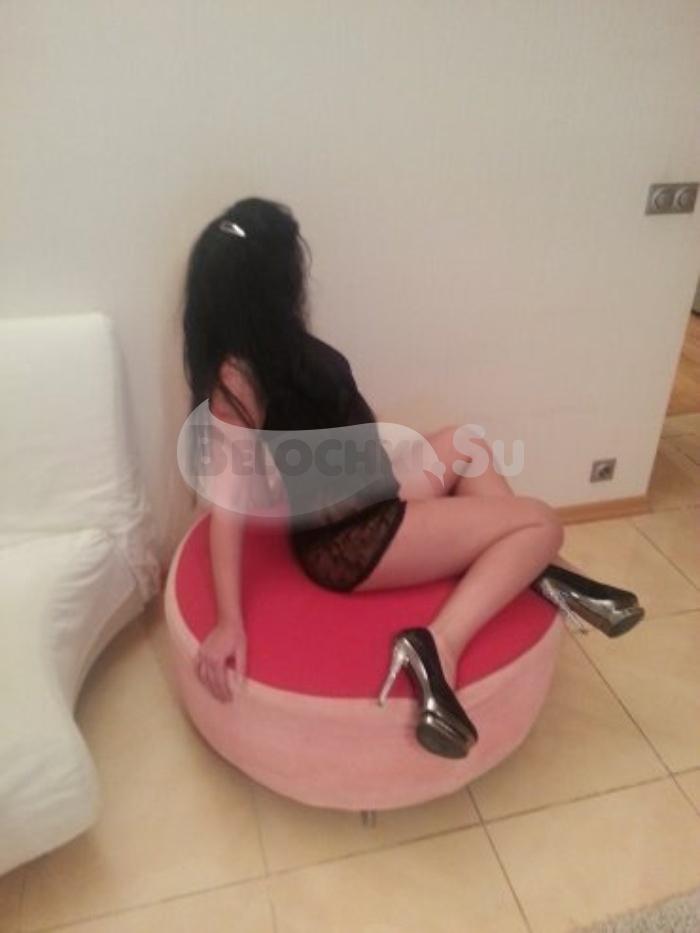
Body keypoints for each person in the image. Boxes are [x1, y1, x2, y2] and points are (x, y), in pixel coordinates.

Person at [181, 197, 644, 760]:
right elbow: (229, 503)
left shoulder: (269, 347)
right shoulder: (238, 376)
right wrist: (229, 622)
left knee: (464, 442)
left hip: (367, 497)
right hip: (354, 541)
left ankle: (536, 572)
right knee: (542, 523)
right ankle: (436, 647)